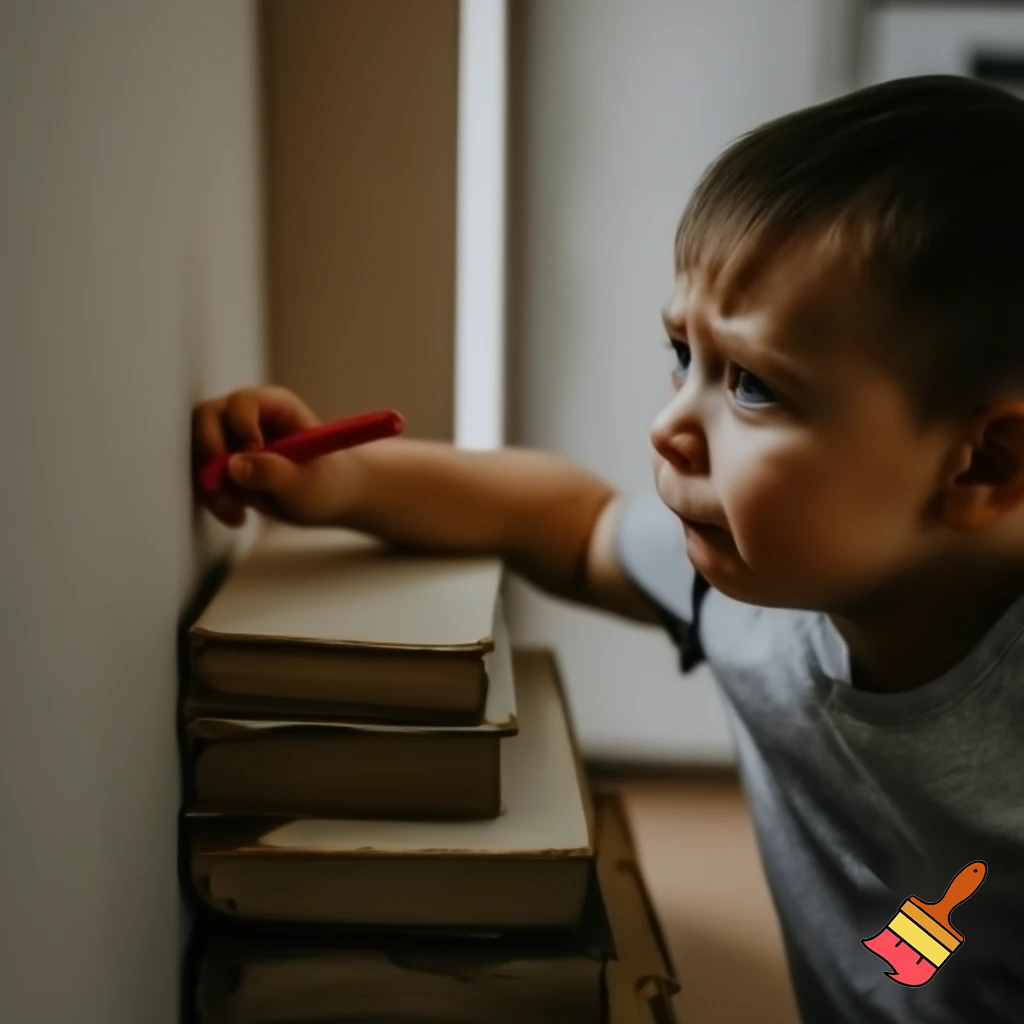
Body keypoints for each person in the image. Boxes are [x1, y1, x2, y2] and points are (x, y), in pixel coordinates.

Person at [192, 75, 1024, 1022]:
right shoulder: (750, 598)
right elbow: (571, 523)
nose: (671, 424)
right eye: (683, 355)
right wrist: (341, 484)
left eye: (752, 384)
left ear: (982, 464)